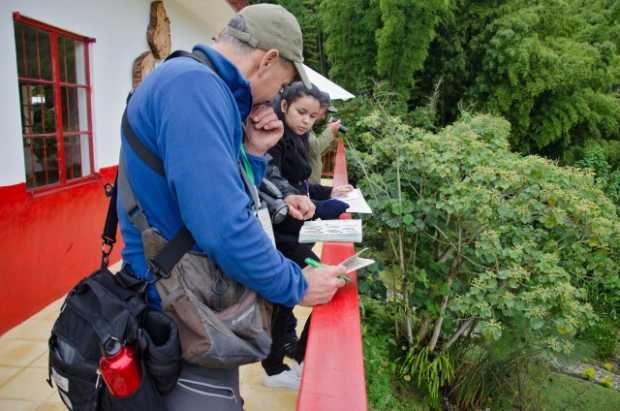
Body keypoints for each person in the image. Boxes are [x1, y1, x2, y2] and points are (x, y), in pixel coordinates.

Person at [117, 4, 346, 410]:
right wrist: (298, 284)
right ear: (268, 59)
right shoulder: (195, 88)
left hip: (185, 296)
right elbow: (225, 228)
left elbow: (222, 201)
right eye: (285, 83)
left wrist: (254, 152)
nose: (278, 95)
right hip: (174, 309)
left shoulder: (198, 84)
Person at [260, 82, 352, 389]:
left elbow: (303, 184)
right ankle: (274, 367)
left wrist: (329, 191)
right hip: (281, 234)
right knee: (315, 286)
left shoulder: (298, 138)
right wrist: (324, 207)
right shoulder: (272, 137)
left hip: (297, 230)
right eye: (301, 112)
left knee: (286, 301)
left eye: (313, 117)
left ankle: (291, 349)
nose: (306, 121)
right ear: (284, 105)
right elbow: (276, 187)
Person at [307, 92, 342, 184]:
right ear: (317, 106)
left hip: (312, 185)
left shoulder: (309, 128)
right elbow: (315, 148)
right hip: (306, 185)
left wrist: (332, 135)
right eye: (325, 112)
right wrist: (329, 131)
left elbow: (317, 153)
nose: (323, 117)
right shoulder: (302, 127)